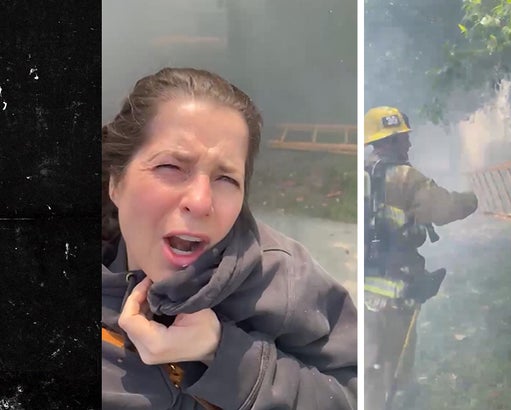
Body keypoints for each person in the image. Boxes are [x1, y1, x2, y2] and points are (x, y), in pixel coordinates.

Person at [101, 68, 357, 410]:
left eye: (226, 178)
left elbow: (355, 394)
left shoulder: (284, 279)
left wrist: (222, 354)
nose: (202, 201)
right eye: (171, 167)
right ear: (116, 182)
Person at [362, 106, 478, 409]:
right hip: (398, 292)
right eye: (404, 138)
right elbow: (445, 208)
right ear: (393, 140)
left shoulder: (360, 173)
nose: (409, 144)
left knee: (369, 363)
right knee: (394, 368)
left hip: (364, 289)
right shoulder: (406, 178)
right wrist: (472, 198)